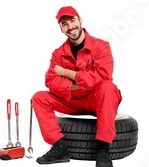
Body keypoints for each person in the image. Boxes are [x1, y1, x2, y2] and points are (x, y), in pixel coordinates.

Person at [31, 6, 120, 167]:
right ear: (60, 28)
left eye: (72, 20)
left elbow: (103, 76)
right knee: (39, 97)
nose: (70, 27)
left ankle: (103, 149)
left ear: (80, 20)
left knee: (107, 87)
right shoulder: (58, 53)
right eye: (64, 24)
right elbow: (50, 80)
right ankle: (59, 147)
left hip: (96, 99)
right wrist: (80, 84)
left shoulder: (101, 46)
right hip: (71, 101)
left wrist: (66, 72)